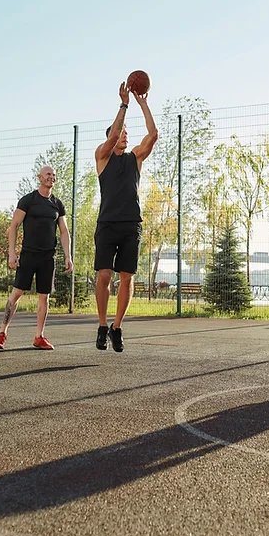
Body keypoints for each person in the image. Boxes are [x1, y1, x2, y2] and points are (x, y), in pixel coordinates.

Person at [93, 80, 158, 352]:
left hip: (131, 225)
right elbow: (111, 136)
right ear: (113, 135)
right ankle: (102, 325)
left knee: (127, 277)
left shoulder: (135, 158)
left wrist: (143, 104)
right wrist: (124, 105)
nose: (125, 136)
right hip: (107, 224)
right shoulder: (103, 156)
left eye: (126, 133)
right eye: (121, 132)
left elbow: (153, 135)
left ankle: (117, 327)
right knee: (104, 275)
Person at [0, 165, 72, 351]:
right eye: (47, 174)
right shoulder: (28, 200)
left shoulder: (57, 204)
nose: (50, 177)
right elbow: (13, 227)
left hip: (48, 257)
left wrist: (68, 256)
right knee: (17, 293)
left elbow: (64, 231)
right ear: (40, 177)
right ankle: (2, 332)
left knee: (44, 297)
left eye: (53, 175)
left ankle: (39, 336)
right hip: (28, 255)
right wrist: (12, 253)